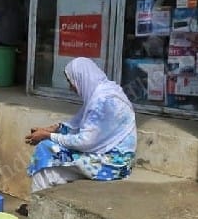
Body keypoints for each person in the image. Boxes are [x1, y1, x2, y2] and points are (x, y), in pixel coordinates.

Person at [25, 57, 137, 193]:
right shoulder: (106, 91)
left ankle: (36, 201)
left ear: (81, 77)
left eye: (71, 82)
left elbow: (85, 141)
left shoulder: (102, 101)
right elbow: (79, 125)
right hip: (111, 157)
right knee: (48, 172)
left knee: (46, 148)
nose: (71, 87)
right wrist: (54, 129)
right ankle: (37, 201)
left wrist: (48, 136)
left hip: (113, 163)